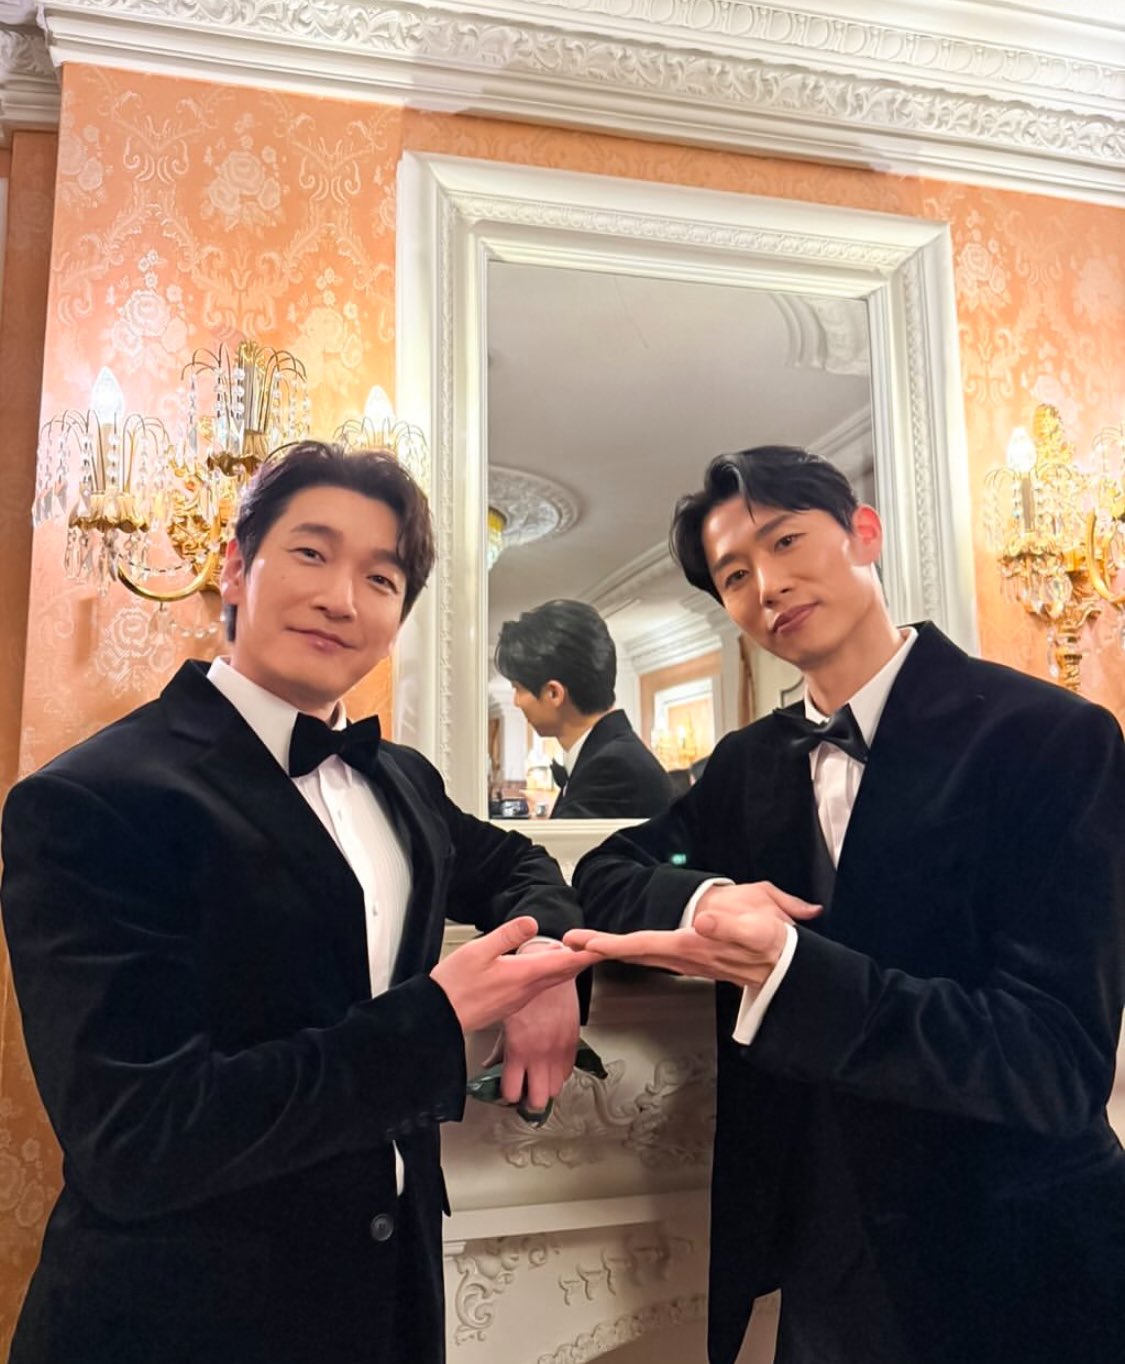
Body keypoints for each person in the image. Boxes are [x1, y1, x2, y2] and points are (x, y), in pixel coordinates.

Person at [0, 442, 597, 1364]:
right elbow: (138, 1137)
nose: (341, 599)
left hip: (387, 1303)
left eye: (381, 579)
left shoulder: (401, 778)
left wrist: (547, 965)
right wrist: (434, 1023)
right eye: (311, 554)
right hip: (185, 1319)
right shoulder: (92, 799)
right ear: (236, 567)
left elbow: (516, 862)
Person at [565, 445, 1125, 1364]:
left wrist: (790, 974)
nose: (767, 586)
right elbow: (609, 870)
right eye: (734, 576)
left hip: (1017, 1251)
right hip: (819, 1253)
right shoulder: (748, 763)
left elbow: (1053, 1060)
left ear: (863, 532)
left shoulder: (1049, 738)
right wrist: (706, 895)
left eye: (785, 541)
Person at [495, 598, 673, 818]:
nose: (516, 702)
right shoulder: (608, 756)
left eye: (518, 689)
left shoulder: (612, 769)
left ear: (554, 693)